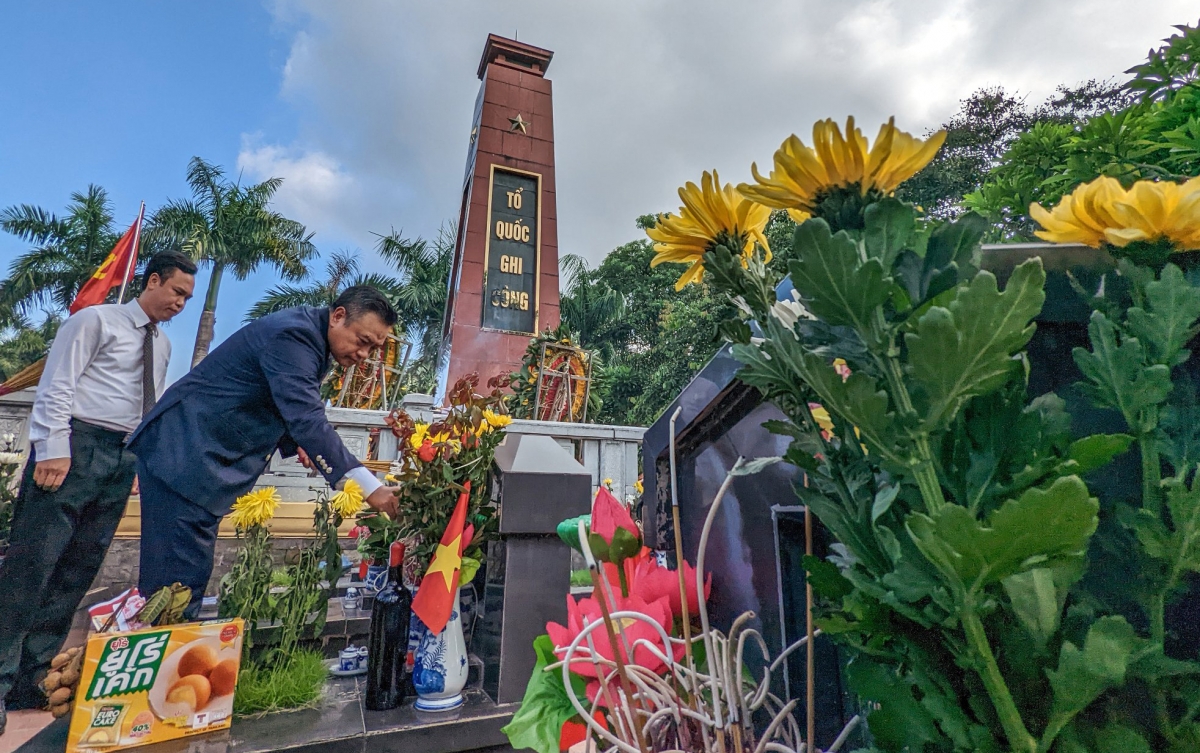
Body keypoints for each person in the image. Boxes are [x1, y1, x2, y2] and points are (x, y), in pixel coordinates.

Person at [0, 252, 196, 733]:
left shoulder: (163, 344)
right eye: (176, 292)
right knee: (31, 565)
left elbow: (145, 408)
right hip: (75, 445)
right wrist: (51, 447)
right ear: (152, 281)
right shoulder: (96, 320)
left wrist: (137, 461)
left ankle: (33, 676)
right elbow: (56, 384)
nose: (180, 304)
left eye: (188, 298)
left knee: (76, 569)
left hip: (121, 455)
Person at [128, 285, 400, 622]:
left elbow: (277, 401)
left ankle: (166, 661)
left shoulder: (310, 336)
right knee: (173, 586)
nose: (364, 355)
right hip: (185, 453)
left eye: (373, 348)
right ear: (339, 316)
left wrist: (296, 440)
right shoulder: (295, 336)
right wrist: (369, 488)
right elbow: (306, 417)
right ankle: (161, 664)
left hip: (194, 458)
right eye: (362, 341)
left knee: (184, 578)